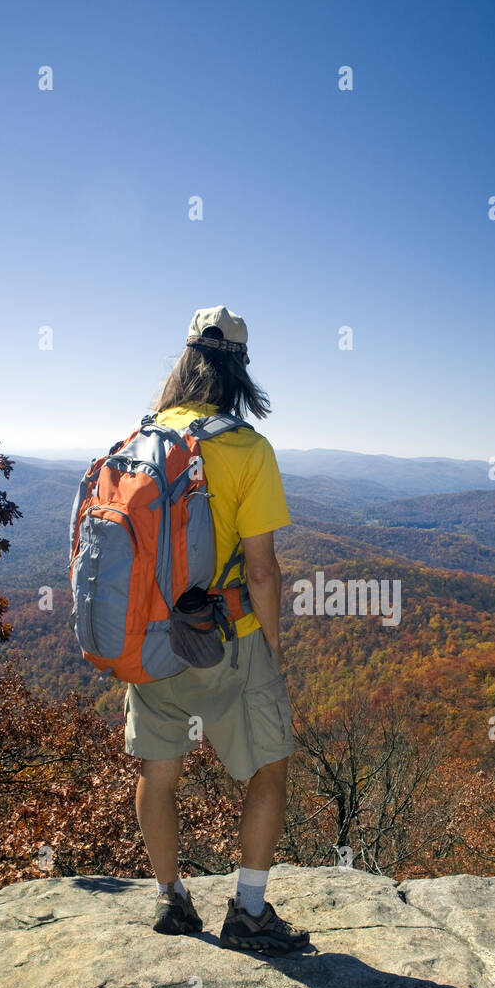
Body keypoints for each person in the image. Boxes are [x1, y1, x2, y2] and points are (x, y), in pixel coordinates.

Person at [124, 306, 308, 955]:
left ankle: (171, 901)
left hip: (149, 640)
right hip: (228, 639)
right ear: (239, 371)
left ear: (184, 362)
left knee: (158, 768)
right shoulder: (247, 448)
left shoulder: (138, 441)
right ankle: (249, 910)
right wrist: (274, 654)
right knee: (272, 763)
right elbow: (263, 573)